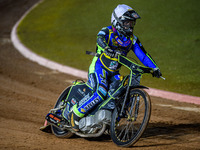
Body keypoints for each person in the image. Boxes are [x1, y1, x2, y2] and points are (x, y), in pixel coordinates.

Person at [68, 4, 162, 131]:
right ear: (117, 21)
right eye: (127, 22)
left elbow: (143, 56)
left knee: (120, 95)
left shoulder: (132, 39)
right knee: (101, 92)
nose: (130, 26)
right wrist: (107, 49)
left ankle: (109, 124)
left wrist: (154, 68)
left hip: (114, 73)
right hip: (98, 67)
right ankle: (75, 114)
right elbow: (99, 39)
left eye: (132, 23)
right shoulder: (107, 31)